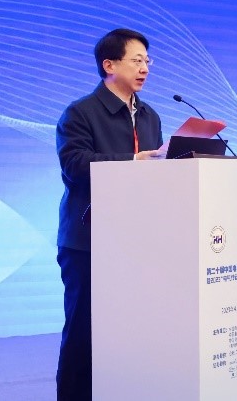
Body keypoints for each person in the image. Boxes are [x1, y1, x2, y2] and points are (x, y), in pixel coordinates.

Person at [55, 28, 165, 400]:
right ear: (109, 65)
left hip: (136, 242)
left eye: (148, 61)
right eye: (137, 60)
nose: (145, 68)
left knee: (131, 333)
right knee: (83, 333)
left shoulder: (150, 116)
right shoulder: (80, 112)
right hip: (88, 242)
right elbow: (75, 165)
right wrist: (133, 161)